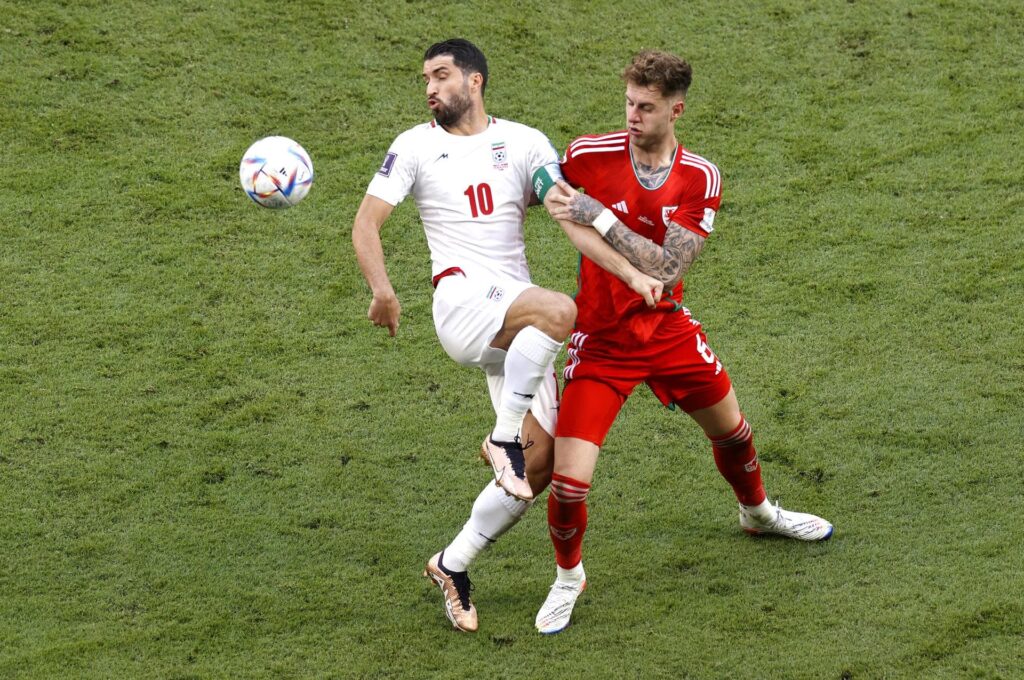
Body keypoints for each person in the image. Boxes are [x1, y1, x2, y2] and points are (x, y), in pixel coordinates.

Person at [351, 39, 662, 632]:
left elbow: (568, 214)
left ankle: (452, 564)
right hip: (464, 305)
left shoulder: (524, 143)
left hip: (516, 326)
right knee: (560, 310)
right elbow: (366, 223)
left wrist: (630, 272)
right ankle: (501, 439)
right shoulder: (414, 146)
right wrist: (383, 291)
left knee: (539, 470)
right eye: (425, 79)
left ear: (475, 81)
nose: (430, 88)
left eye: (442, 75)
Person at [534, 50, 835, 634]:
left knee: (733, 431)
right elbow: (541, 189)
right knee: (570, 485)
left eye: (646, 107)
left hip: (667, 329)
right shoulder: (589, 154)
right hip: (601, 340)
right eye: (629, 103)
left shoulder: (700, 176)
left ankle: (758, 512)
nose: (632, 116)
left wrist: (600, 216)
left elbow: (668, 268)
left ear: (676, 110)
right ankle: (568, 577)